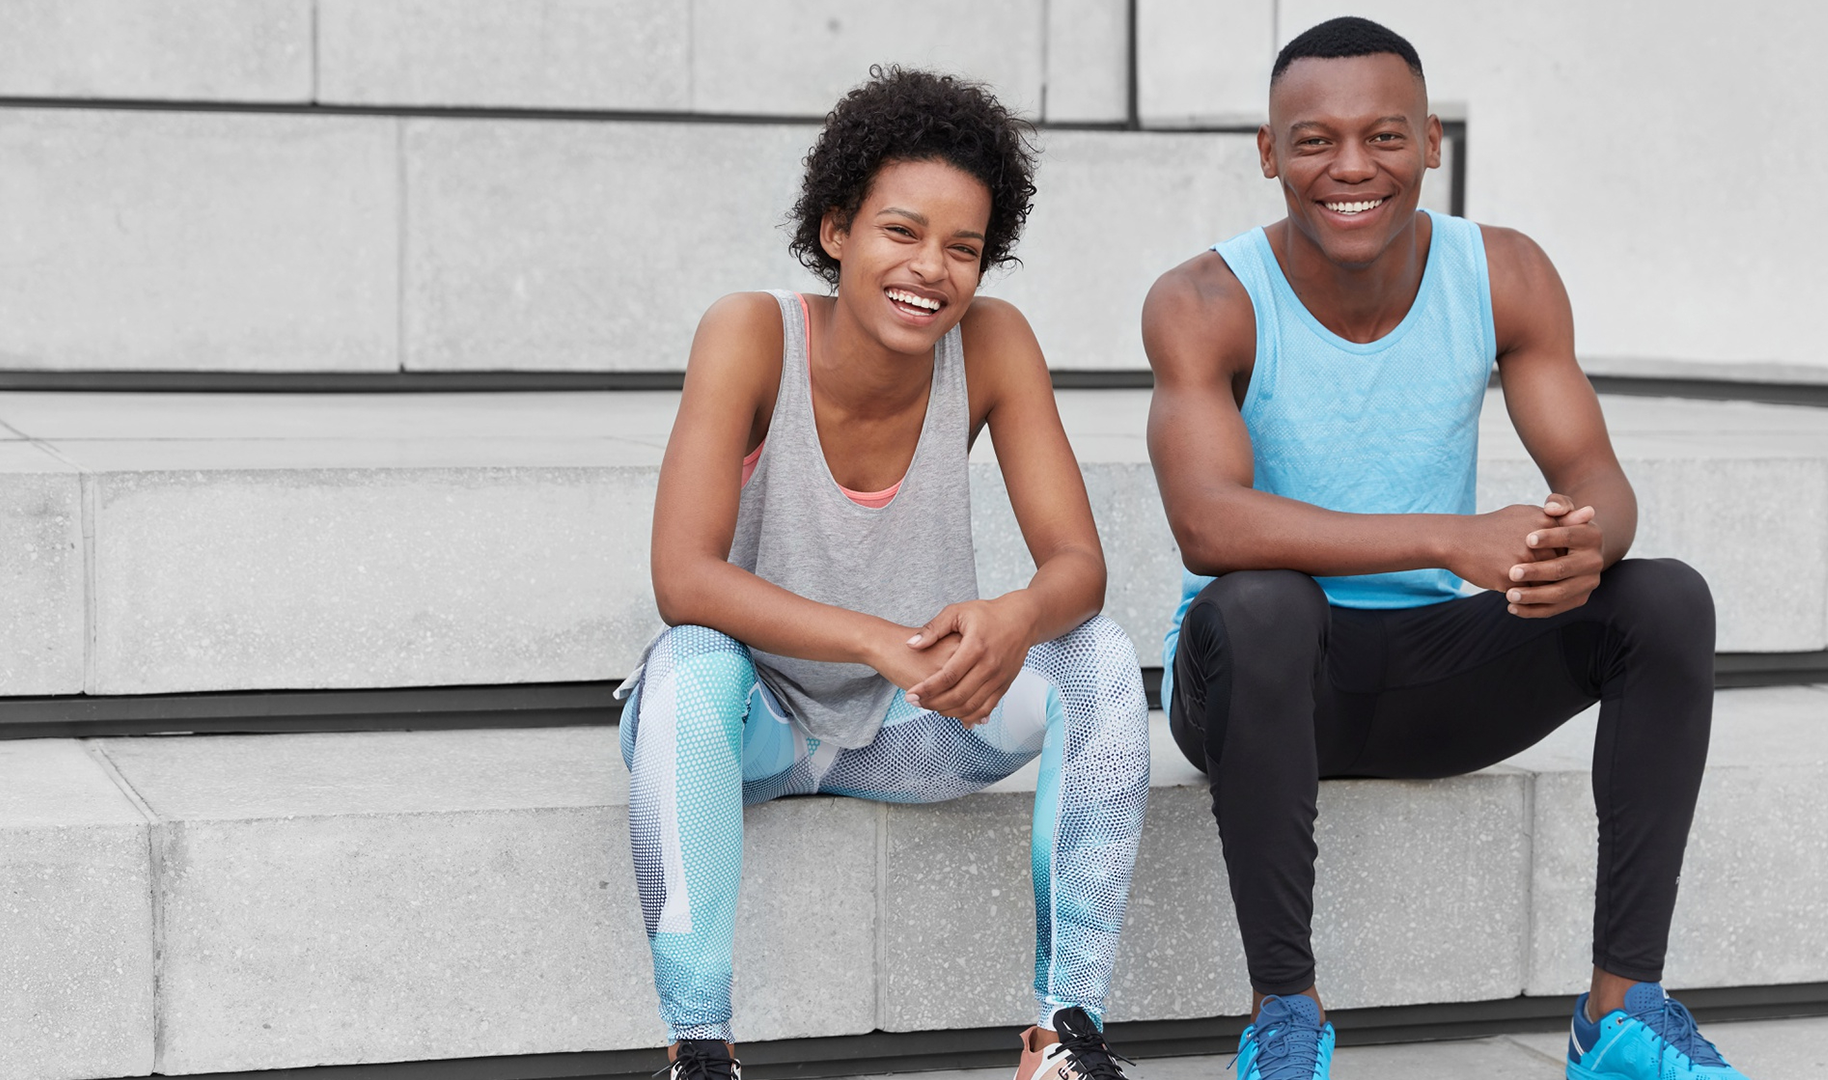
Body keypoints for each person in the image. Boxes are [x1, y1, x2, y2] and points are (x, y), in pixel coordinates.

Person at [1142, 17, 1743, 1080]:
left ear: (1429, 143)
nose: (1352, 167)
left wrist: (1584, 542)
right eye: (1315, 140)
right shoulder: (1204, 300)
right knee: (1264, 601)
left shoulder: (1502, 273)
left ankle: (1621, 1020)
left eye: (1384, 136)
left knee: (1666, 601)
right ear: (1269, 153)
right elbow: (1208, 522)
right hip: (1258, 685)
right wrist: (1449, 536)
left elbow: (1598, 477)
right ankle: (1284, 1021)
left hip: (1434, 673)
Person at [617, 67, 1150, 1080]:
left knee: (1101, 658)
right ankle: (699, 1050)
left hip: (912, 732)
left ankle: (1065, 1037)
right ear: (835, 231)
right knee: (687, 663)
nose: (932, 268)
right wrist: (874, 637)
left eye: (965, 247)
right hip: (755, 726)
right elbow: (683, 578)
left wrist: (1012, 617)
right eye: (901, 231)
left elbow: (1078, 566)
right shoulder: (750, 334)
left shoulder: (994, 345)